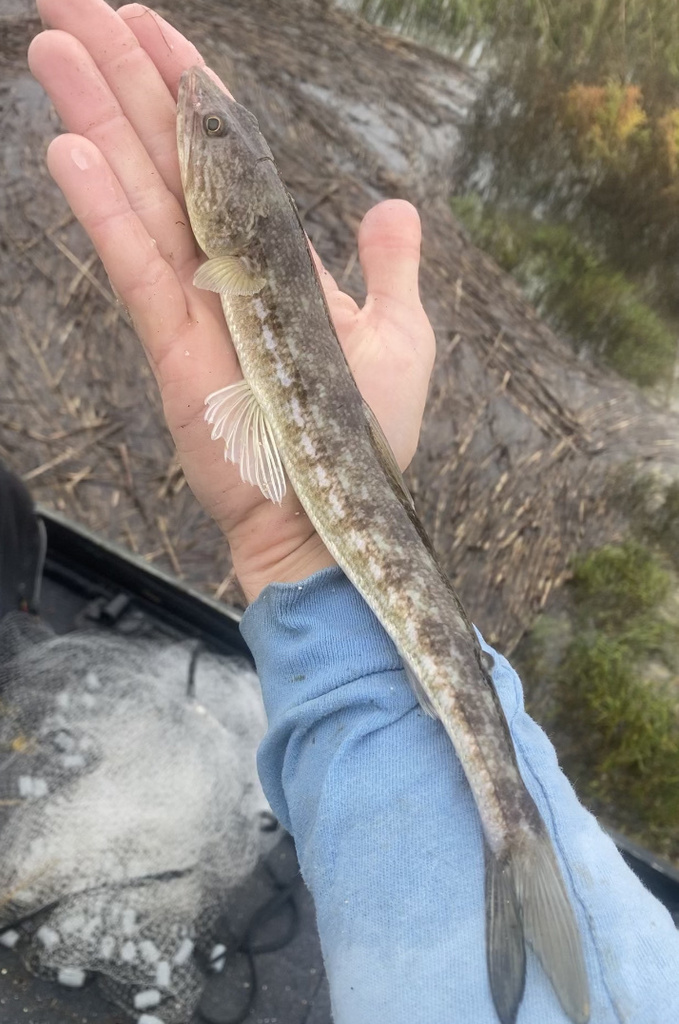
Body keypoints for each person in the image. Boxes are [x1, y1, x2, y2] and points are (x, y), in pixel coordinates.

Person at [27, 2, 679, 1022]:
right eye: (206, 135)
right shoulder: (235, 244)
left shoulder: (240, 244)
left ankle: (522, 860)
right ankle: (520, 846)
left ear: (234, 226)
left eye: (205, 139)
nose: (196, 124)